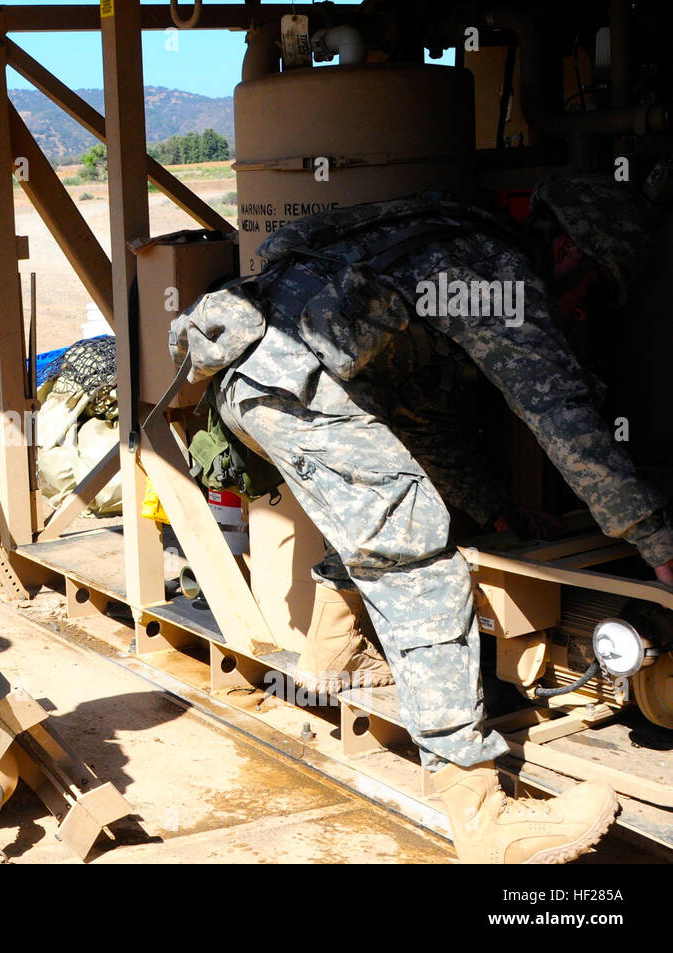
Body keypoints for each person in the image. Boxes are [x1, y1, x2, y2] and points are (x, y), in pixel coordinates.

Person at [169, 175, 673, 864]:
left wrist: (495, 508)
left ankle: (332, 653)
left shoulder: (443, 239)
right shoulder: (497, 272)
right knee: (418, 558)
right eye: (590, 289)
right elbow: (565, 419)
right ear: (565, 249)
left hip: (254, 373)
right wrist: (657, 541)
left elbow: (416, 421)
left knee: (381, 505)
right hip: (289, 380)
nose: (581, 312)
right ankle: (484, 817)